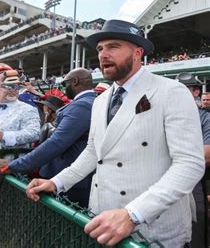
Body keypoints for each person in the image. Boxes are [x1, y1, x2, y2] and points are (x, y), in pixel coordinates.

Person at [25, 19, 205, 247]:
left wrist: (133, 214)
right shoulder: (100, 101)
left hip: (152, 227)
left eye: (113, 46)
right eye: (100, 49)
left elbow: (190, 164)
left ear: (138, 52)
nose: (103, 54)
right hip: (102, 219)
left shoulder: (172, 92)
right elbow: (93, 151)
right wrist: (57, 182)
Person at [0, 68, 96, 207]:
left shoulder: (82, 105)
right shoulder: (88, 103)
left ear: (74, 82)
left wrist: (15, 165)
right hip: (70, 179)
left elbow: (56, 143)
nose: (64, 88)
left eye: (65, 84)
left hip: (72, 183)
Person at [176, 72, 210, 248]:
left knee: (196, 232)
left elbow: (206, 153)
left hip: (193, 183)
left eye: (184, 90)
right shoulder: (168, 115)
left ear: (196, 92)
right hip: (164, 183)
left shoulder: (205, 117)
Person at [0, 69, 40, 160]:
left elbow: (34, 133)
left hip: (13, 162)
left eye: (16, 87)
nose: (13, 90)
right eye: (9, 87)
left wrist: (3, 136)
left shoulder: (28, 109)